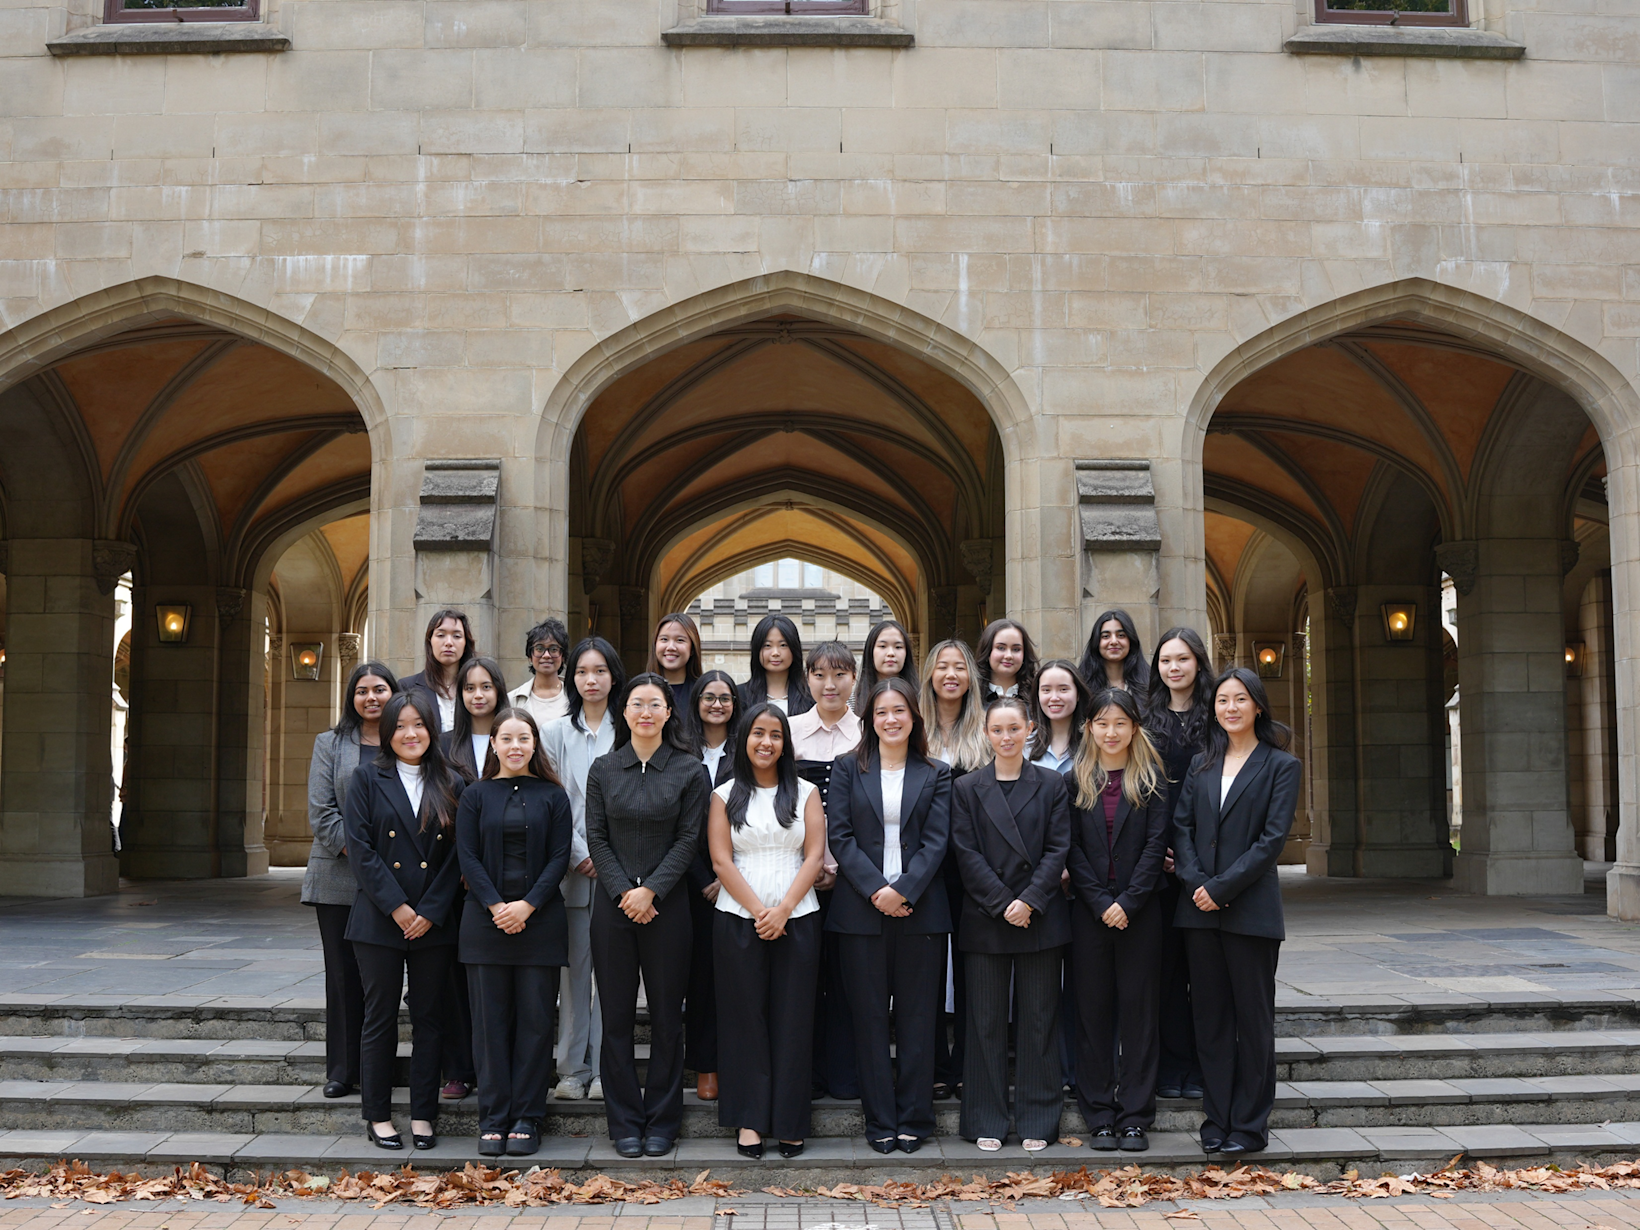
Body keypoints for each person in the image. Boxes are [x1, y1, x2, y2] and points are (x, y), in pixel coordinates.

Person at [1172, 667, 1301, 1157]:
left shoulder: (1281, 766)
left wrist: (1221, 888)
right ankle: (1217, 1118)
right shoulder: (1203, 763)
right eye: (1222, 700)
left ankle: (1249, 1124)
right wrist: (1196, 882)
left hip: (1251, 912)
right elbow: (1180, 829)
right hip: (1198, 911)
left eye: (1240, 699)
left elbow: (1271, 842)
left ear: (1258, 706)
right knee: (1210, 1021)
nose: (1229, 707)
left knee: (1252, 1020)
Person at [585, 673, 711, 1158]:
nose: (644, 712)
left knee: (665, 1019)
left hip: (669, 908)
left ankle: (661, 1120)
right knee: (615, 1017)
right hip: (614, 909)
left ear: (668, 714)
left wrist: (652, 890)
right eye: (636, 704)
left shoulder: (689, 770)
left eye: (654, 704)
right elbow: (596, 836)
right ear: (624, 712)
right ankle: (624, 1122)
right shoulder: (603, 769)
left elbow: (689, 839)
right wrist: (624, 893)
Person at [826, 677, 953, 1155]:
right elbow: (841, 836)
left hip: (922, 912)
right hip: (860, 913)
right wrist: (878, 890)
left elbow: (938, 841)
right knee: (870, 1020)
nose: (891, 719)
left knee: (921, 1021)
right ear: (869, 720)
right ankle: (880, 1120)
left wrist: (903, 891)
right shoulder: (845, 769)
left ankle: (915, 1119)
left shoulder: (937, 772)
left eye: (899, 710)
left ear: (913, 716)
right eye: (881, 712)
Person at [344, 690, 466, 1151]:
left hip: (433, 922)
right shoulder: (366, 778)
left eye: (419, 724)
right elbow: (361, 850)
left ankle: (422, 1114)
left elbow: (459, 856)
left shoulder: (453, 782)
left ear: (432, 729)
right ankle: (377, 1116)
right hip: (379, 920)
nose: (410, 734)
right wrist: (397, 906)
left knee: (430, 1019)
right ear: (387, 732)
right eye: (400, 726)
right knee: (379, 1017)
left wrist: (430, 911)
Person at [950, 696, 1071, 1153]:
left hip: (1039, 917)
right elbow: (966, 853)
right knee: (984, 1022)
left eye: (1014, 729)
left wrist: (1030, 901)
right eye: (997, 730)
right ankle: (986, 1117)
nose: (1006, 737)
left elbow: (1059, 848)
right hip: (987, 917)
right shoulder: (966, 788)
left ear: (1029, 731)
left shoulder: (1052, 784)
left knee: (1039, 1020)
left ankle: (1038, 1118)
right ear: (986, 733)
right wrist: (1004, 903)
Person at [709, 703, 827, 1159]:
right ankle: (751, 1121)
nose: (766, 742)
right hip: (738, 916)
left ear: (785, 743)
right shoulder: (723, 795)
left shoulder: (806, 792)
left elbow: (815, 856)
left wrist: (785, 909)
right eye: (757, 733)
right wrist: (761, 910)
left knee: (793, 1020)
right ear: (744, 739)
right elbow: (721, 860)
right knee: (745, 1022)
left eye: (775, 735)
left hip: (799, 916)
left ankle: (790, 1122)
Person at [455, 708, 573, 1157]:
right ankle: (494, 1116)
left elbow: (559, 857)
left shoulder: (553, 796)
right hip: (484, 923)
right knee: (490, 1027)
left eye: (524, 738)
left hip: (540, 922)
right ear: (494, 745)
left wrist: (526, 905)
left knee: (536, 1023)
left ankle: (527, 1116)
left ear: (534, 744)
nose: (516, 746)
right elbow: (467, 857)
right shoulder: (475, 795)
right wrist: (497, 906)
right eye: (507, 738)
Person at [1067, 687, 1171, 1153]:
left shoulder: (1152, 779)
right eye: (1102, 723)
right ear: (1089, 727)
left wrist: (1128, 901)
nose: (1111, 732)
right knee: (1092, 1014)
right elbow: (1069, 848)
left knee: (1139, 1014)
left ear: (1134, 728)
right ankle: (1099, 1115)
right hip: (1089, 914)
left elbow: (1155, 847)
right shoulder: (1074, 781)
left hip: (1141, 914)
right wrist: (1098, 901)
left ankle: (1134, 1115)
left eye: (1120, 724)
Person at [303, 660, 399, 1100]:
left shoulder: (407, 740)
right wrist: (365, 856)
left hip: (397, 882)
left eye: (380, 689)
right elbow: (322, 812)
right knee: (343, 976)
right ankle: (343, 1069)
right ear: (351, 698)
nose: (371, 698)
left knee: (386, 978)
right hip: (338, 877)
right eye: (362, 691)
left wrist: (387, 865)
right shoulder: (330, 743)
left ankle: (381, 1064)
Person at [539, 637, 625, 1102]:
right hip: (573, 867)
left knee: (613, 973)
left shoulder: (629, 727)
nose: (591, 680)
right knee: (574, 973)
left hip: (619, 870)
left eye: (600, 671)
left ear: (613, 675)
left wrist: (608, 857)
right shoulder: (554, 733)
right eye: (582, 672)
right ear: (572, 679)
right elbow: (553, 800)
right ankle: (572, 1069)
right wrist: (578, 852)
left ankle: (608, 1067)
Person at [788, 641, 863, 1102]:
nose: (829, 684)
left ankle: (845, 1074)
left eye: (839, 674)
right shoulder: (790, 732)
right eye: (819, 674)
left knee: (850, 980)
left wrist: (841, 866)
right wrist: (811, 866)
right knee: (803, 979)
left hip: (858, 876)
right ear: (808, 680)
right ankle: (807, 1074)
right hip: (799, 877)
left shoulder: (868, 733)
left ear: (854, 678)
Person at [1144, 628, 1216, 1102]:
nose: (1174, 667)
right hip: (1158, 859)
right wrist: (1159, 849)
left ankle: (1204, 1065)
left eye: (1183, 659)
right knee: (1166, 973)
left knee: (1205, 973)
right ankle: (1172, 1067)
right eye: (1166, 660)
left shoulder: (1217, 718)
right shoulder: (1146, 720)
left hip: (1207, 859)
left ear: (1197, 664)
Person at [919, 639, 992, 1100]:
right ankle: (933, 1065)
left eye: (959, 667)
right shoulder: (912, 729)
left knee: (971, 970)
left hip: (971, 867)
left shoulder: (985, 733)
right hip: (921, 867)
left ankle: (967, 1064)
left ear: (970, 678)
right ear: (929, 674)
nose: (950, 674)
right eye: (942, 666)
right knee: (924, 971)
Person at [684, 669, 740, 1102]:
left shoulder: (747, 750)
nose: (717, 704)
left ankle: (741, 1061)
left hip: (743, 884)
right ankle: (707, 1065)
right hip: (692, 885)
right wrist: (706, 878)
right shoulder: (680, 750)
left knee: (737, 979)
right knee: (701, 980)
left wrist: (729, 880)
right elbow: (679, 826)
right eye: (708, 697)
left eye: (725, 697)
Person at [401, 608, 476, 733]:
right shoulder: (407, 687)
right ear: (430, 641)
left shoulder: (478, 689)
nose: (448, 643)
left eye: (457, 636)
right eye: (441, 635)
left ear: (465, 643)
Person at [447, 657, 508, 782]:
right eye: (470, 688)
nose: (478, 695)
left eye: (486, 687)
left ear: (498, 691)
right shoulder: (444, 745)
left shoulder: (514, 742)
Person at [740, 613, 814, 716]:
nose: (775, 653)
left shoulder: (812, 697)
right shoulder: (740, 696)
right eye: (767, 645)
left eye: (783, 645)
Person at [1030, 658, 1091, 775]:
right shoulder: (1024, 744)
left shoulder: (1095, 743)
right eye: (1046, 690)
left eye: (1063, 689)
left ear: (1078, 694)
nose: (1054, 698)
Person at [508, 619, 571, 727]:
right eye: (539, 648)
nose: (546, 655)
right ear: (530, 656)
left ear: (563, 657)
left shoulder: (575, 695)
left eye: (554, 649)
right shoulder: (513, 699)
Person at [1080, 609, 1151, 703]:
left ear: (1131, 640)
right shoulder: (1081, 684)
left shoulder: (1150, 682)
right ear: (1096, 642)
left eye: (1121, 635)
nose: (1114, 641)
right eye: (1106, 636)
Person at [852, 619, 917, 715]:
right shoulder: (852, 703)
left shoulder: (922, 700)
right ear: (871, 651)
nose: (891, 653)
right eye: (882, 646)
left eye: (898, 647)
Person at [649, 612, 705, 716]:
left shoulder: (703, 693)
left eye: (680, 640)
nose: (670, 647)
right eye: (664, 639)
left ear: (692, 648)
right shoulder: (639, 690)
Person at [975, 618, 1038, 703]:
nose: (1009, 656)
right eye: (1001, 648)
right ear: (987, 651)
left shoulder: (1038, 696)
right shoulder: (971, 696)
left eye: (1016, 649)